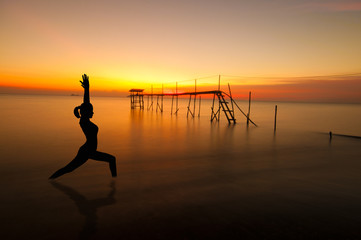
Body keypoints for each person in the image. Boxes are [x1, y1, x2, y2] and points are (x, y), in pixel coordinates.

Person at [49, 74, 117, 179]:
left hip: (89, 150)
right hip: (87, 151)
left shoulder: (85, 120)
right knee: (69, 169)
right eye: (91, 111)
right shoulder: (84, 122)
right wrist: (87, 90)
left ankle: (115, 182)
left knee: (69, 169)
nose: (93, 113)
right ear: (86, 112)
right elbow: (86, 104)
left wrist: (87, 88)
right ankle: (115, 183)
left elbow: (86, 103)